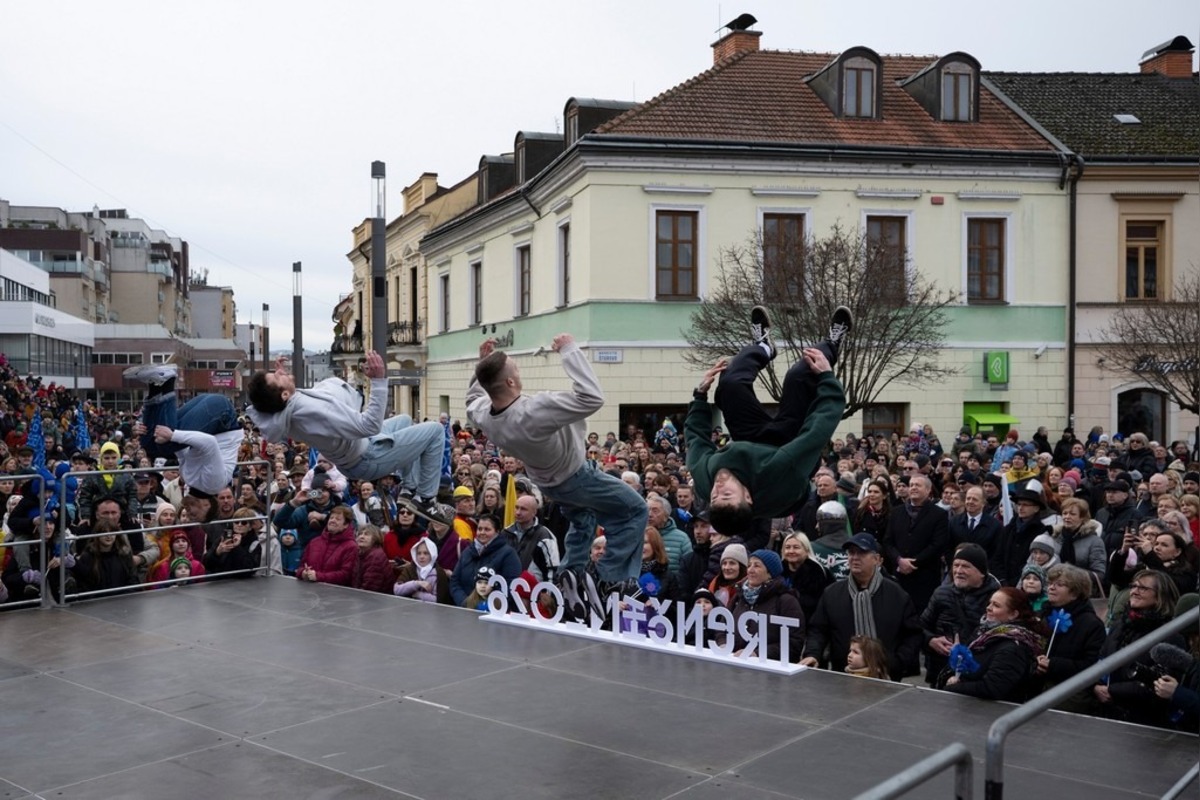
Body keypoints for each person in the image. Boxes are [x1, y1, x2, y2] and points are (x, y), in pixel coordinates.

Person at [467, 334, 648, 605]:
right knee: (635, 510)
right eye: (516, 368)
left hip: (548, 484)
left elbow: (473, 399)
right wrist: (569, 350)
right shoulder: (533, 411)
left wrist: (482, 364)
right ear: (510, 381)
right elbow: (592, 397)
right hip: (577, 477)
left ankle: (571, 574)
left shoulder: (484, 414)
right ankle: (612, 579)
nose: (519, 371)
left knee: (583, 518)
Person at [686, 306, 849, 536]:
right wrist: (827, 377)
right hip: (788, 447)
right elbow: (817, 431)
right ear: (748, 496)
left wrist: (700, 396)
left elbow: (695, 439)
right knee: (799, 376)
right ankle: (832, 343)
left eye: (715, 496)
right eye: (726, 494)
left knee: (730, 384)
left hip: (749, 440)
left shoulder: (705, 480)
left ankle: (763, 347)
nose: (718, 488)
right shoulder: (780, 477)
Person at [247, 351, 451, 524]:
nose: (280, 372)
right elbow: (369, 425)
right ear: (284, 395)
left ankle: (409, 490)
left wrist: (278, 378)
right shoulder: (313, 412)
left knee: (405, 420)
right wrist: (379, 381)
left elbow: (277, 400)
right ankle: (426, 500)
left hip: (359, 449)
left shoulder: (285, 410)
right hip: (368, 457)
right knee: (435, 431)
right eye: (276, 377)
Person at [801, 533, 923, 681]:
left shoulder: (897, 594)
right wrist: (813, 654)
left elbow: (913, 634)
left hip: (886, 677)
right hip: (843, 676)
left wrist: (897, 662)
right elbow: (818, 630)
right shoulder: (832, 593)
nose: (855, 557)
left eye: (862, 553)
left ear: (877, 560)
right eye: (851, 553)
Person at [124, 362, 242, 503]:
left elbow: (182, 450)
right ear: (206, 506)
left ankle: (155, 385)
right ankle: (167, 381)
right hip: (222, 417)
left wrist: (149, 429)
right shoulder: (213, 485)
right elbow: (210, 443)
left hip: (210, 415)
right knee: (167, 444)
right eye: (194, 514)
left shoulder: (189, 480)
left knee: (149, 444)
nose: (188, 512)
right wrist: (172, 435)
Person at [1093, 568, 1183, 726]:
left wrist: (1113, 690)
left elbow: (1159, 684)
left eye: (1143, 588)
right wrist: (1096, 685)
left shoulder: (1171, 636)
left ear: (1160, 595)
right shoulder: (1119, 626)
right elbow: (1101, 660)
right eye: (1133, 586)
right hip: (1107, 714)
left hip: (1144, 722)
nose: (1134, 591)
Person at [942, 587, 1047, 702]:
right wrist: (952, 676)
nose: (988, 608)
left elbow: (992, 688)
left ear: (1013, 614)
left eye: (996, 605)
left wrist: (953, 688)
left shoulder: (1013, 648)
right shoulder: (983, 634)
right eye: (989, 603)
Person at [921, 543, 1001, 686]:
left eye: (965, 566)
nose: (958, 571)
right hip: (940, 671)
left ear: (982, 572)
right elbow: (920, 627)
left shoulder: (997, 598)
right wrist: (930, 640)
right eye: (956, 565)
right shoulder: (941, 593)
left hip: (976, 676)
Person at [1033, 564, 1107, 711]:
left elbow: (1091, 666)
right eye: (1050, 583)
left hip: (1068, 695)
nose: (1051, 588)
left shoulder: (1091, 624)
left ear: (1075, 593)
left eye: (1059, 585)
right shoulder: (1043, 614)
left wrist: (1053, 664)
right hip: (1036, 688)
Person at [883, 474, 949, 614]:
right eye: (911, 485)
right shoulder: (896, 512)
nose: (913, 488)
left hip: (925, 577)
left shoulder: (939, 514)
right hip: (899, 576)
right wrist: (899, 560)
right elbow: (888, 541)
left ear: (928, 490)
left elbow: (937, 544)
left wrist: (913, 563)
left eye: (917, 485)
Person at [726, 549, 805, 662]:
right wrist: (723, 645)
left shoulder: (786, 601)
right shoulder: (739, 597)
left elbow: (794, 643)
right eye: (749, 565)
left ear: (770, 573)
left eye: (757, 566)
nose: (750, 570)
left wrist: (757, 654)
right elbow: (722, 626)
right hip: (735, 664)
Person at [449, 513, 522, 606]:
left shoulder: (508, 554)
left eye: (487, 529)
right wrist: (465, 602)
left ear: (497, 532)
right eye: (479, 529)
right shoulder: (468, 551)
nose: (482, 532)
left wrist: (484, 605)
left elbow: (510, 585)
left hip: (491, 612)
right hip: (464, 609)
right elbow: (455, 581)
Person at [502, 494, 560, 583]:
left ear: (534, 512)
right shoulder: (506, 532)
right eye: (516, 507)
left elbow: (552, 569)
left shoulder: (544, 535)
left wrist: (549, 593)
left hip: (533, 593)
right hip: (506, 589)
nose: (518, 512)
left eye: (523, 509)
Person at [295, 506, 358, 587]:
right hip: (309, 593)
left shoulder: (351, 546)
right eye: (331, 518)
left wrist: (319, 577)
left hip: (335, 595)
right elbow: (301, 566)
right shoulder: (314, 542)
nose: (333, 521)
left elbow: (346, 575)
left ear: (346, 525)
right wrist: (303, 573)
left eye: (338, 519)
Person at [778, 530, 832, 622]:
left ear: (806, 550)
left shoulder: (818, 572)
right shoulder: (778, 571)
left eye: (796, 547)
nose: (791, 551)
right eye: (787, 547)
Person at [394, 538, 452, 604]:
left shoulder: (439, 573)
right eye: (419, 553)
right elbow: (397, 590)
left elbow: (438, 600)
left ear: (432, 555)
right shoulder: (410, 569)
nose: (422, 556)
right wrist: (417, 584)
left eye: (425, 553)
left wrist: (418, 594)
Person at [351, 523, 393, 593]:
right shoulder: (360, 553)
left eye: (366, 534)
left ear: (375, 538)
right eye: (360, 534)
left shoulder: (375, 556)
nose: (361, 536)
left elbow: (369, 589)